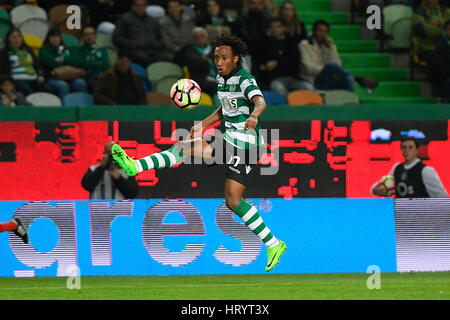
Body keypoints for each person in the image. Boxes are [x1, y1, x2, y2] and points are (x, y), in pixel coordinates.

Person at [111, 34, 287, 272]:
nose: (219, 62)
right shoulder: (222, 79)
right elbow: (224, 110)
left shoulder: (245, 79)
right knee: (233, 200)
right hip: (236, 142)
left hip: (245, 143)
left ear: (236, 59)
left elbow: (260, 101)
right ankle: (274, 244)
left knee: (184, 148)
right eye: (216, 57)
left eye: (224, 57)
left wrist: (255, 115)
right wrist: (204, 124)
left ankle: (135, 167)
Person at [299, 20, 379, 92]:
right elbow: (308, 68)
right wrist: (327, 69)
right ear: (314, 32)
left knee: (348, 78)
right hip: (314, 81)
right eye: (320, 31)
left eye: (325, 32)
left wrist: (330, 49)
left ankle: (352, 100)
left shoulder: (330, 46)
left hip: (330, 80)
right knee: (331, 66)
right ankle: (357, 79)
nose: (323, 34)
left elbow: (337, 65)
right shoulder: (304, 45)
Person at [371, 136, 448, 198]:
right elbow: (383, 188)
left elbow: (443, 199)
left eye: (410, 147)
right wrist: (377, 190)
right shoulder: (397, 168)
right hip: (400, 215)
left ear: (417, 150)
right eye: (404, 147)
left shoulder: (426, 171)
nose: (406, 150)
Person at [253, 17, 312, 96]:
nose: (275, 29)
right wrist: (265, 66)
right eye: (272, 27)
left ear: (283, 28)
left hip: (292, 78)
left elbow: (294, 60)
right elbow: (259, 64)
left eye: (278, 27)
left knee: (309, 88)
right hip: (274, 79)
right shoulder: (263, 43)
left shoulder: (291, 42)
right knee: (278, 88)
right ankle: (290, 106)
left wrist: (277, 63)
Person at [112, 0, 168, 68]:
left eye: (143, 5)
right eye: (138, 5)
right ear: (132, 6)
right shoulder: (124, 19)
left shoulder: (152, 20)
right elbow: (117, 38)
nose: (141, 7)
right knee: (144, 59)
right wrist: (134, 44)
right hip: (134, 50)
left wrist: (157, 44)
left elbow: (160, 37)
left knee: (165, 58)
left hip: (153, 49)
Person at [39, 28, 88, 99]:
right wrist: (66, 60)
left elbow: (77, 62)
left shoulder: (67, 49)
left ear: (60, 38)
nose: (55, 39)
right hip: (52, 78)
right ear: (48, 38)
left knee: (80, 83)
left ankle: (83, 108)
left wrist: (62, 60)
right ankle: (64, 108)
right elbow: (51, 63)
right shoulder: (44, 50)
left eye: (57, 36)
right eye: (52, 36)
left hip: (70, 77)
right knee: (63, 85)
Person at [0, 28, 47, 96]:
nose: (16, 39)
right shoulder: (4, 53)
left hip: (35, 80)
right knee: (28, 91)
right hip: (16, 82)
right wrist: (10, 79)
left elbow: (38, 66)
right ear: (8, 39)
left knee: (46, 91)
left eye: (19, 36)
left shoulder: (28, 51)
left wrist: (41, 75)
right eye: (13, 37)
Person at [173, 27, 217, 96]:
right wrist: (202, 59)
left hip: (216, 76)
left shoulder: (213, 49)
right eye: (196, 37)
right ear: (193, 39)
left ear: (207, 37)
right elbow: (192, 63)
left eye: (202, 36)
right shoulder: (188, 49)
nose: (199, 39)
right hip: (200, 78)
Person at [412, 0, 450, 65]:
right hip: (425, 49)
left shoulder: (446, 11)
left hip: (446, 47)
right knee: (438, 57)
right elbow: (424, 30)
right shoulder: (417, 13)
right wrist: (446, 30)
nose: (431, 1)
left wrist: (440, 22)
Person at [79, 25, 111, 92]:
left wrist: (92, 64)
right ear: (82, 37)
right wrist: (98, 63)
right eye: (86, 34)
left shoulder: (102, 50)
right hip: (88, 78)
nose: (89, 36)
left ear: (95, 36)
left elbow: (107, 65)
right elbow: (82, 64)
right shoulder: (79, 50)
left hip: (102, 77)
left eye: (92, 34)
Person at [429, 19, 450, 100]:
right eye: (449, 29)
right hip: (444, 79)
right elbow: (439, 69)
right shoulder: (439, 46)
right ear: (445, 31)